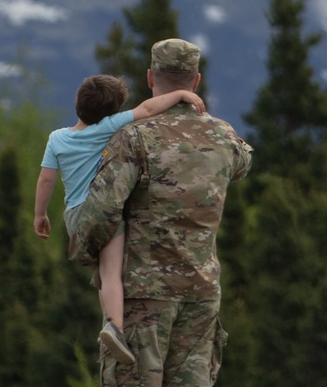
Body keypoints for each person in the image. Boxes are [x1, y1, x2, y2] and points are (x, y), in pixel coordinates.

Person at [70, 38, 252, 387]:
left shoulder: (134, 138)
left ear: (151, 79)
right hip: (201, 294)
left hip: (142, 296)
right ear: (196, 81)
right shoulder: (224, 137)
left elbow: (100, 212)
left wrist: (86, 254)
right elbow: (244, 162)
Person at [34, 73, 205, 365]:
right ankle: (115, 326)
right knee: (113, 272)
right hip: (103, 210)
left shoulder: (57, 139)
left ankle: (109, 315)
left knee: (103, 273)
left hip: (75, 217)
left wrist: (40, 214)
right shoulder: (108, 127)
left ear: (78, 104)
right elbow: (148, 109)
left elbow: (46, 179)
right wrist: (180, 95)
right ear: (111, 112)